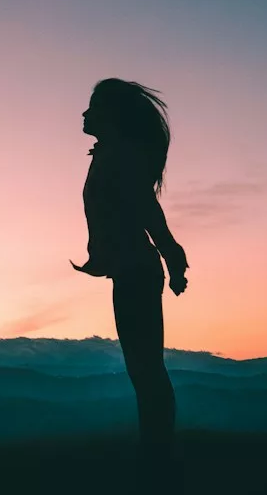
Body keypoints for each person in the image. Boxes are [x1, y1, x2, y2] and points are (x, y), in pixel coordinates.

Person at [69, 79, 189, 462]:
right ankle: (156, 452)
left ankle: (158, 457)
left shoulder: (120, 156)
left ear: (113, 115)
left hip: (136, 271)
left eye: (93, 107)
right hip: (130, 270)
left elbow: (145, 208)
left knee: (146, 370)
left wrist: (171, 254)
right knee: (144, 369)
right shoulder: (111, 154)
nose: (85, 114)